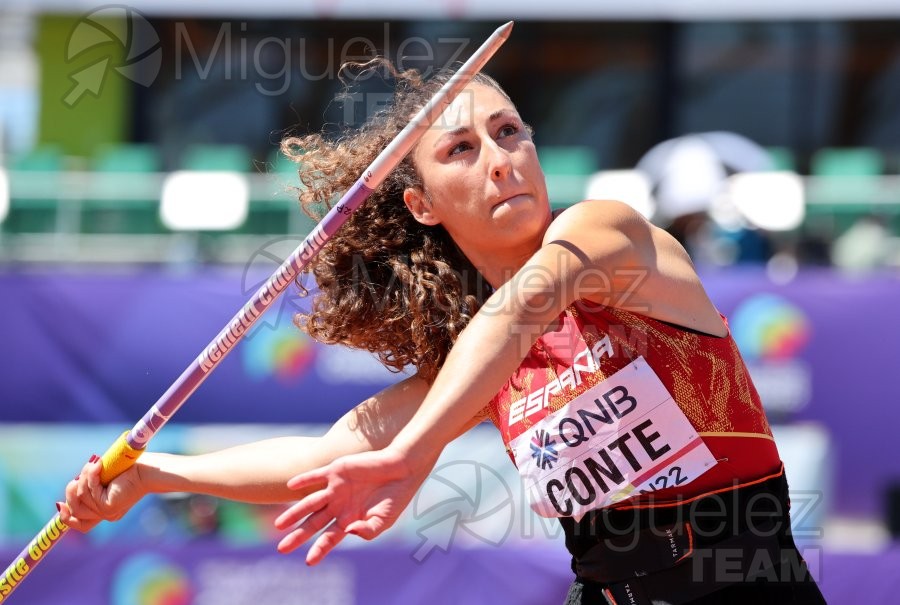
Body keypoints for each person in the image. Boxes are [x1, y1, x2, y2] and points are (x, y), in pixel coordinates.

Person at [61, 61, 826, 605]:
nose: (501, 161)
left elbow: (524, 303)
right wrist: (159, 473)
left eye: (509, 132)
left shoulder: (608, 233)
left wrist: (416, 449)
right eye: (463, 149)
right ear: (424, 204)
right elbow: (328, 455)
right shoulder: (474, 363)